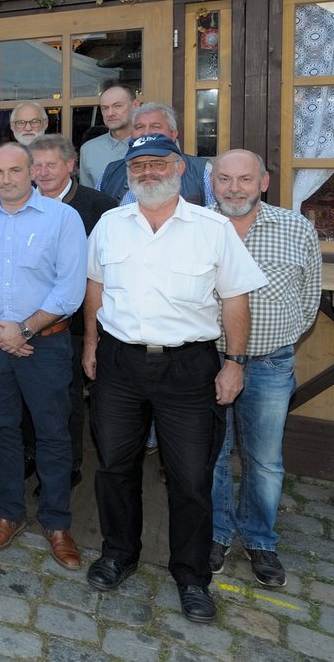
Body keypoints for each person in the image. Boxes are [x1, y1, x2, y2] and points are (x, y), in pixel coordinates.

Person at [83, 134, 266, 622]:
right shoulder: (109, 225)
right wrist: (90, 345)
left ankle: (191, 577)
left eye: (157, 163)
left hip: (190, 367)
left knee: (189, 478)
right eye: (138, 165)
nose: (147, 173)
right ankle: (119, 553)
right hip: (120, 364)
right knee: (114, 467)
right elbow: (95, 287)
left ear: (180, 167)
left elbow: (235, 300)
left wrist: (234, 363)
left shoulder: (212, 228)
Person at [0, 142, 86, 569]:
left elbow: (70, 289)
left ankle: (57, 521)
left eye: (15, 170)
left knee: (52, 433)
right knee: (4, 429)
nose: (6, 179)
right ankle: (8, 514)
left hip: (46, 343)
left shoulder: (63, 218)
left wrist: (24, 329)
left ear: (32, 171)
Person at [209, 150, 320, 587]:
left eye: (244, 179)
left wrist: (280, 337)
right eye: (224, 179)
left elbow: (309, 296)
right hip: (209, 361)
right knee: (213, 455)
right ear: (212, 182)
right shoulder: (199, 226)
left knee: (265, 460)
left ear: (264, 182)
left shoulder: (296, 228)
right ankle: (217, 533)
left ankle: (260, 539)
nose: (234, 188)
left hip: (272, 364)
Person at [28, 134, 117, 490]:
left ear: (71, 165)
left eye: (52, 164)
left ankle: (67, 465)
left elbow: (107, 271)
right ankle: (31, 454)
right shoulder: (18, 203)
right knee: (27, 394)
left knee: (66, 397)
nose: (44, 172)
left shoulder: (100, 206)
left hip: (79, 322)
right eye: (37, 165)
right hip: (26, 320)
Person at [96, 103, 212, 206]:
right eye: (139, 127)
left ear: (173, 134)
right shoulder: (110, 172)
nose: (146, 132)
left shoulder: (202, 171)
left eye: (155, 126)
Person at [79, 84, 136, 189]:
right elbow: (88, 197)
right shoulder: (89, 150)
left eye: (117, 106)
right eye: (105, 108)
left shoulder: (155, 145)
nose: (110, 113)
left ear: (135, 105)